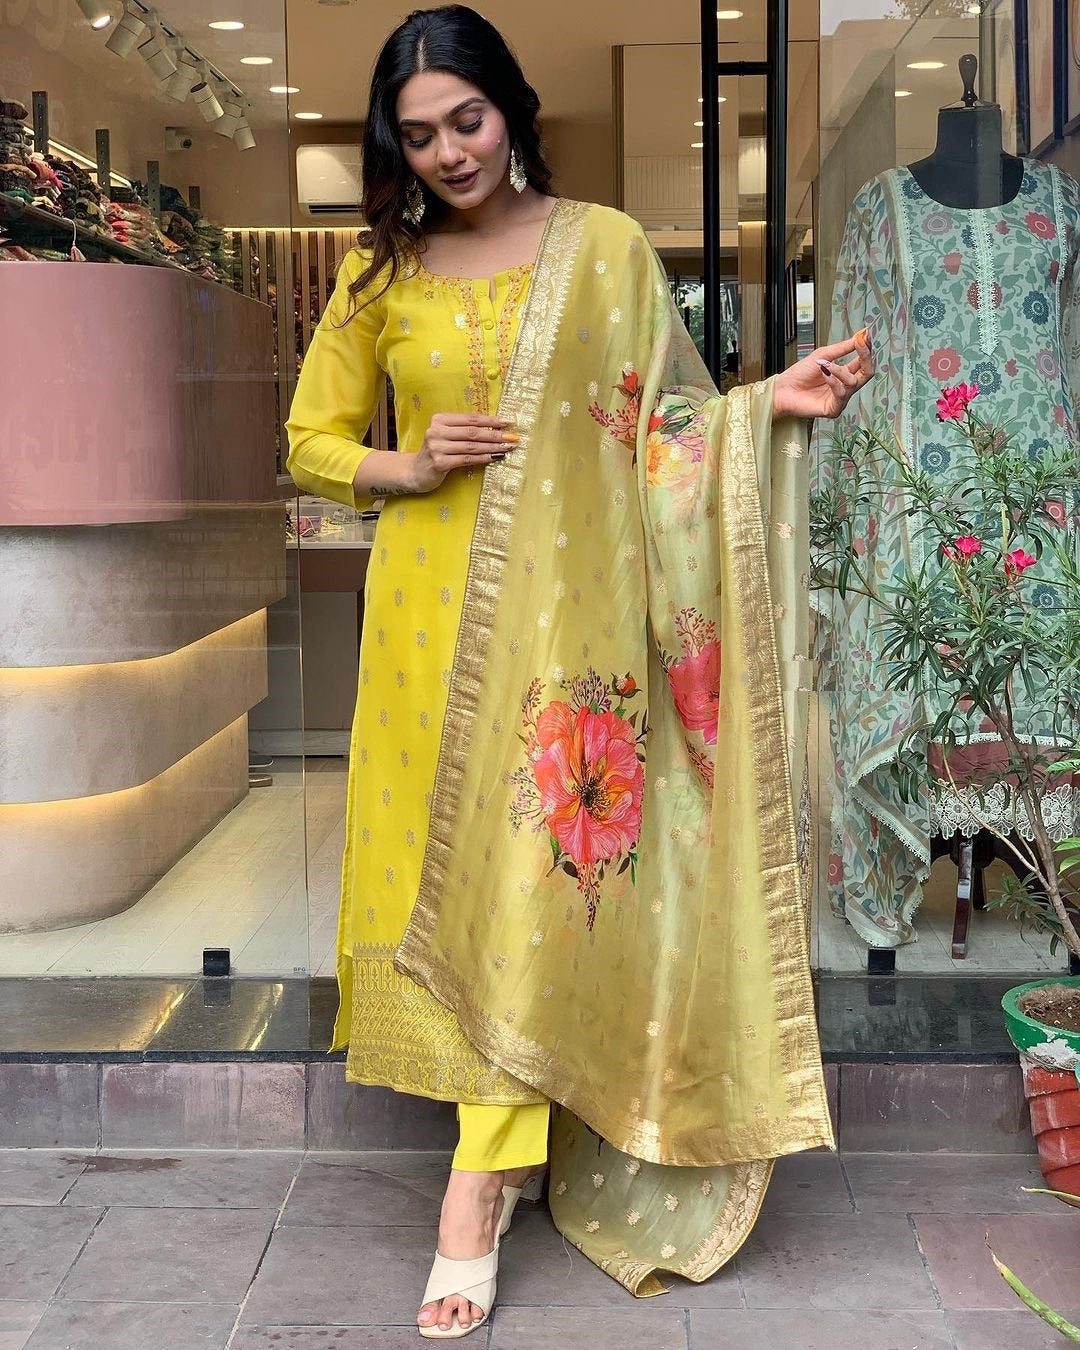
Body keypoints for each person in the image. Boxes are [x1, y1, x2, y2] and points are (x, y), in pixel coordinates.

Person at [286, 5, 875, 1339]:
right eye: (420, 133)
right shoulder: (379, 276)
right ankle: (507, 1145)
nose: (447, 153)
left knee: (536, 887)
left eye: (467, 120)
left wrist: (763, 406)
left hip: (566, 644)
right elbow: (309, 441)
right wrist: (411, 461)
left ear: (511, 105)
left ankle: (472, 1195)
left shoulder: (602, 248)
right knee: (438, 886)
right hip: (425, 629)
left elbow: (659, 427)